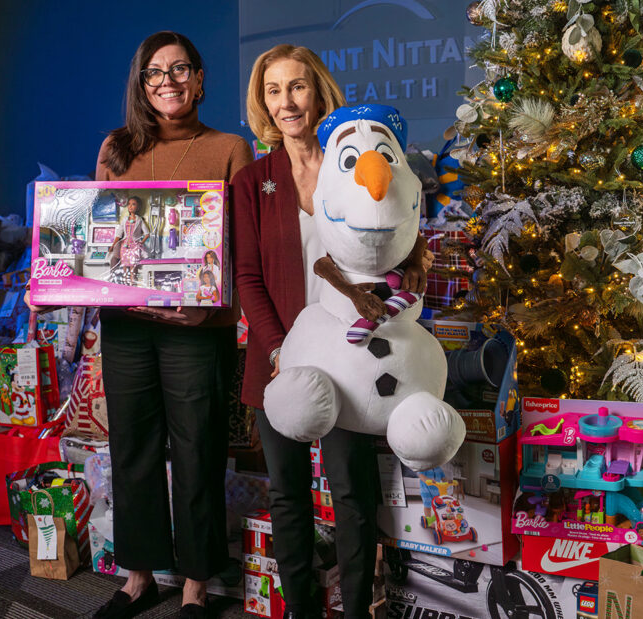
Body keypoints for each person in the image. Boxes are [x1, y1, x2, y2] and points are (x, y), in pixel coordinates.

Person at [231, 45, 430, 619]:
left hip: (350, 358)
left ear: (319, 93)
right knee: (287, 495)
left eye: (297, 87)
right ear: (262, 101)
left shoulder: (356, 159)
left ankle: (357, 605)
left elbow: (403, 236)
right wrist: (278, 350)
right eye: (273, 90)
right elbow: (247, 275)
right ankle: (299, 608)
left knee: (350, 492)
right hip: (279, 362)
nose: (287, 102)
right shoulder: (251, 182)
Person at [92, 31, 253, 619]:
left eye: (179, 69)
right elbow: (99, 240)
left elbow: (243, 250)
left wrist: (213, 308)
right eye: (155, 73)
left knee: (197, 448)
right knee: (131, 446)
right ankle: (139, 576)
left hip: (196, 326)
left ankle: (194, 583)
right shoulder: (116, 149)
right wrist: (60, 281)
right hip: (126, 326)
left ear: (200, 77)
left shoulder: (230, 148)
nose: (168, 81)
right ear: (141, 83)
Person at [111, 196, 150, 282]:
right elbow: (119, 233)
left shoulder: (139, 220)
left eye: (133, 204)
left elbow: (147, 233)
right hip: (124, 247)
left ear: (138, 207)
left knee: (133, 267)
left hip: (134, 247)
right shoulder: (125, 219)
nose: (130, 206)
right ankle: (125, 284)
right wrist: (113, 245)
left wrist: (141, 243)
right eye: (129, 204)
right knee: (124, 266)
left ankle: (133, 284)